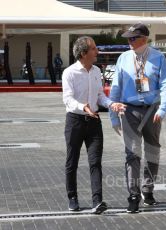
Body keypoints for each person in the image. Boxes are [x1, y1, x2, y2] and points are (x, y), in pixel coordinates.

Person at [109, 23, 166, 213]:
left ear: (144, 39)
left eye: (133, 38)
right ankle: (134, 194)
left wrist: (162, 110)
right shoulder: (123, 58)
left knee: (153, 151)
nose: (129, 41)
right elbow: (115, 88)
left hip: (152, 110)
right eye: (128, 38)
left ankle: (148, 189)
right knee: (132, 153)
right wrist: (113, 117)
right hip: (129, 110)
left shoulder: (158, 58)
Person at [62, 36, 126, 214]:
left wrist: (112, 104)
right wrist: (83, 107)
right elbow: (67, 99)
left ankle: (97, 201)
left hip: (94, 121)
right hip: (75, 121)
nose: (97, 52)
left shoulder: (97, 71)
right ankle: (72, 198)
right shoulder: (69, 73)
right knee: (71, 161)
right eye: (94, 49)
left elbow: (100, 96)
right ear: (83, 53)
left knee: (95, 161)